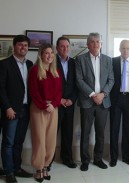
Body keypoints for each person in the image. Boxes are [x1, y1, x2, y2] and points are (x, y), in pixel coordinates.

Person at [75, 32, 114, 171]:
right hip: (87, 101)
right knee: (85, 132)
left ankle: (98, 159)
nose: (95, 44)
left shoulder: (108, 60)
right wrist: (93, 94)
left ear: (101, 44)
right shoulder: (80, 60)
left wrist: (102, 94)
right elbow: (79, 80)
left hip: (103, 102)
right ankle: (85, 160)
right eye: (92, 42)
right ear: (88, 45)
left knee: (100, 133)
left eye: (98, 41)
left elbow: (111, 80)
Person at [0, 35, 33, 183]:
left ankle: (17, 167)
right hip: (11, 110)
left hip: (26, 109)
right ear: (14, 46)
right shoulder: (4, 64)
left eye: (25, 45)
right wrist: (7, 107)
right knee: (8, 142)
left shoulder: (30, 64)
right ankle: (8, 172)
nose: (23, 48)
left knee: (19, 141)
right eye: (20, 45)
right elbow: (0, 88)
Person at [29, 43, 62, 182]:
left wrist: (53, 105)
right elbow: (33, 92)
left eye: (51, 53)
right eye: (46, 53)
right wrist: (44, 105)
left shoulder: (56, 71)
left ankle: (46, 166)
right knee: (39, 139)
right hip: (38, 108)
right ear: (41, 54)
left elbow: (59, 92)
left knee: (50, 139)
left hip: (53, 109)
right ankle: (38, 168)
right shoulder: (35, 70)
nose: (49, 55)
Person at [109, 40, 129, 167]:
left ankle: (126, 156)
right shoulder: (113, 61)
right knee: (114, 129)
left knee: (128, 129)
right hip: (116, 99)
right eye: (123, 48)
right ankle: (113, 157)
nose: (125, 50)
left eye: (127, 48)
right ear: (119, 49)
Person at [56, 36, 78, 168]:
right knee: (52, 133)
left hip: (70, 104)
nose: (65, 49)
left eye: (67, 46)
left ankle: (67, 158)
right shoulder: (51, 61)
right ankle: (49, 160)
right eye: (62, 46)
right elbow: (49, 85)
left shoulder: (74, 63)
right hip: (56, 104)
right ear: (57, 48)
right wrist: (59, 99)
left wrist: (72, 99)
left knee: (68, 132)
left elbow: (77, 84)